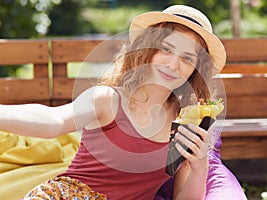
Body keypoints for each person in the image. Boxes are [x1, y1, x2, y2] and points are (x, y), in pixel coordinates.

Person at [0, 5, 246, 200]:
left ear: (195, 68)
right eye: (166, 50)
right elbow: (53, 120)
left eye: (186, 57)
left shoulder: (184, 122)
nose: (173, 64)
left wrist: (200, 165)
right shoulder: (108, 99)